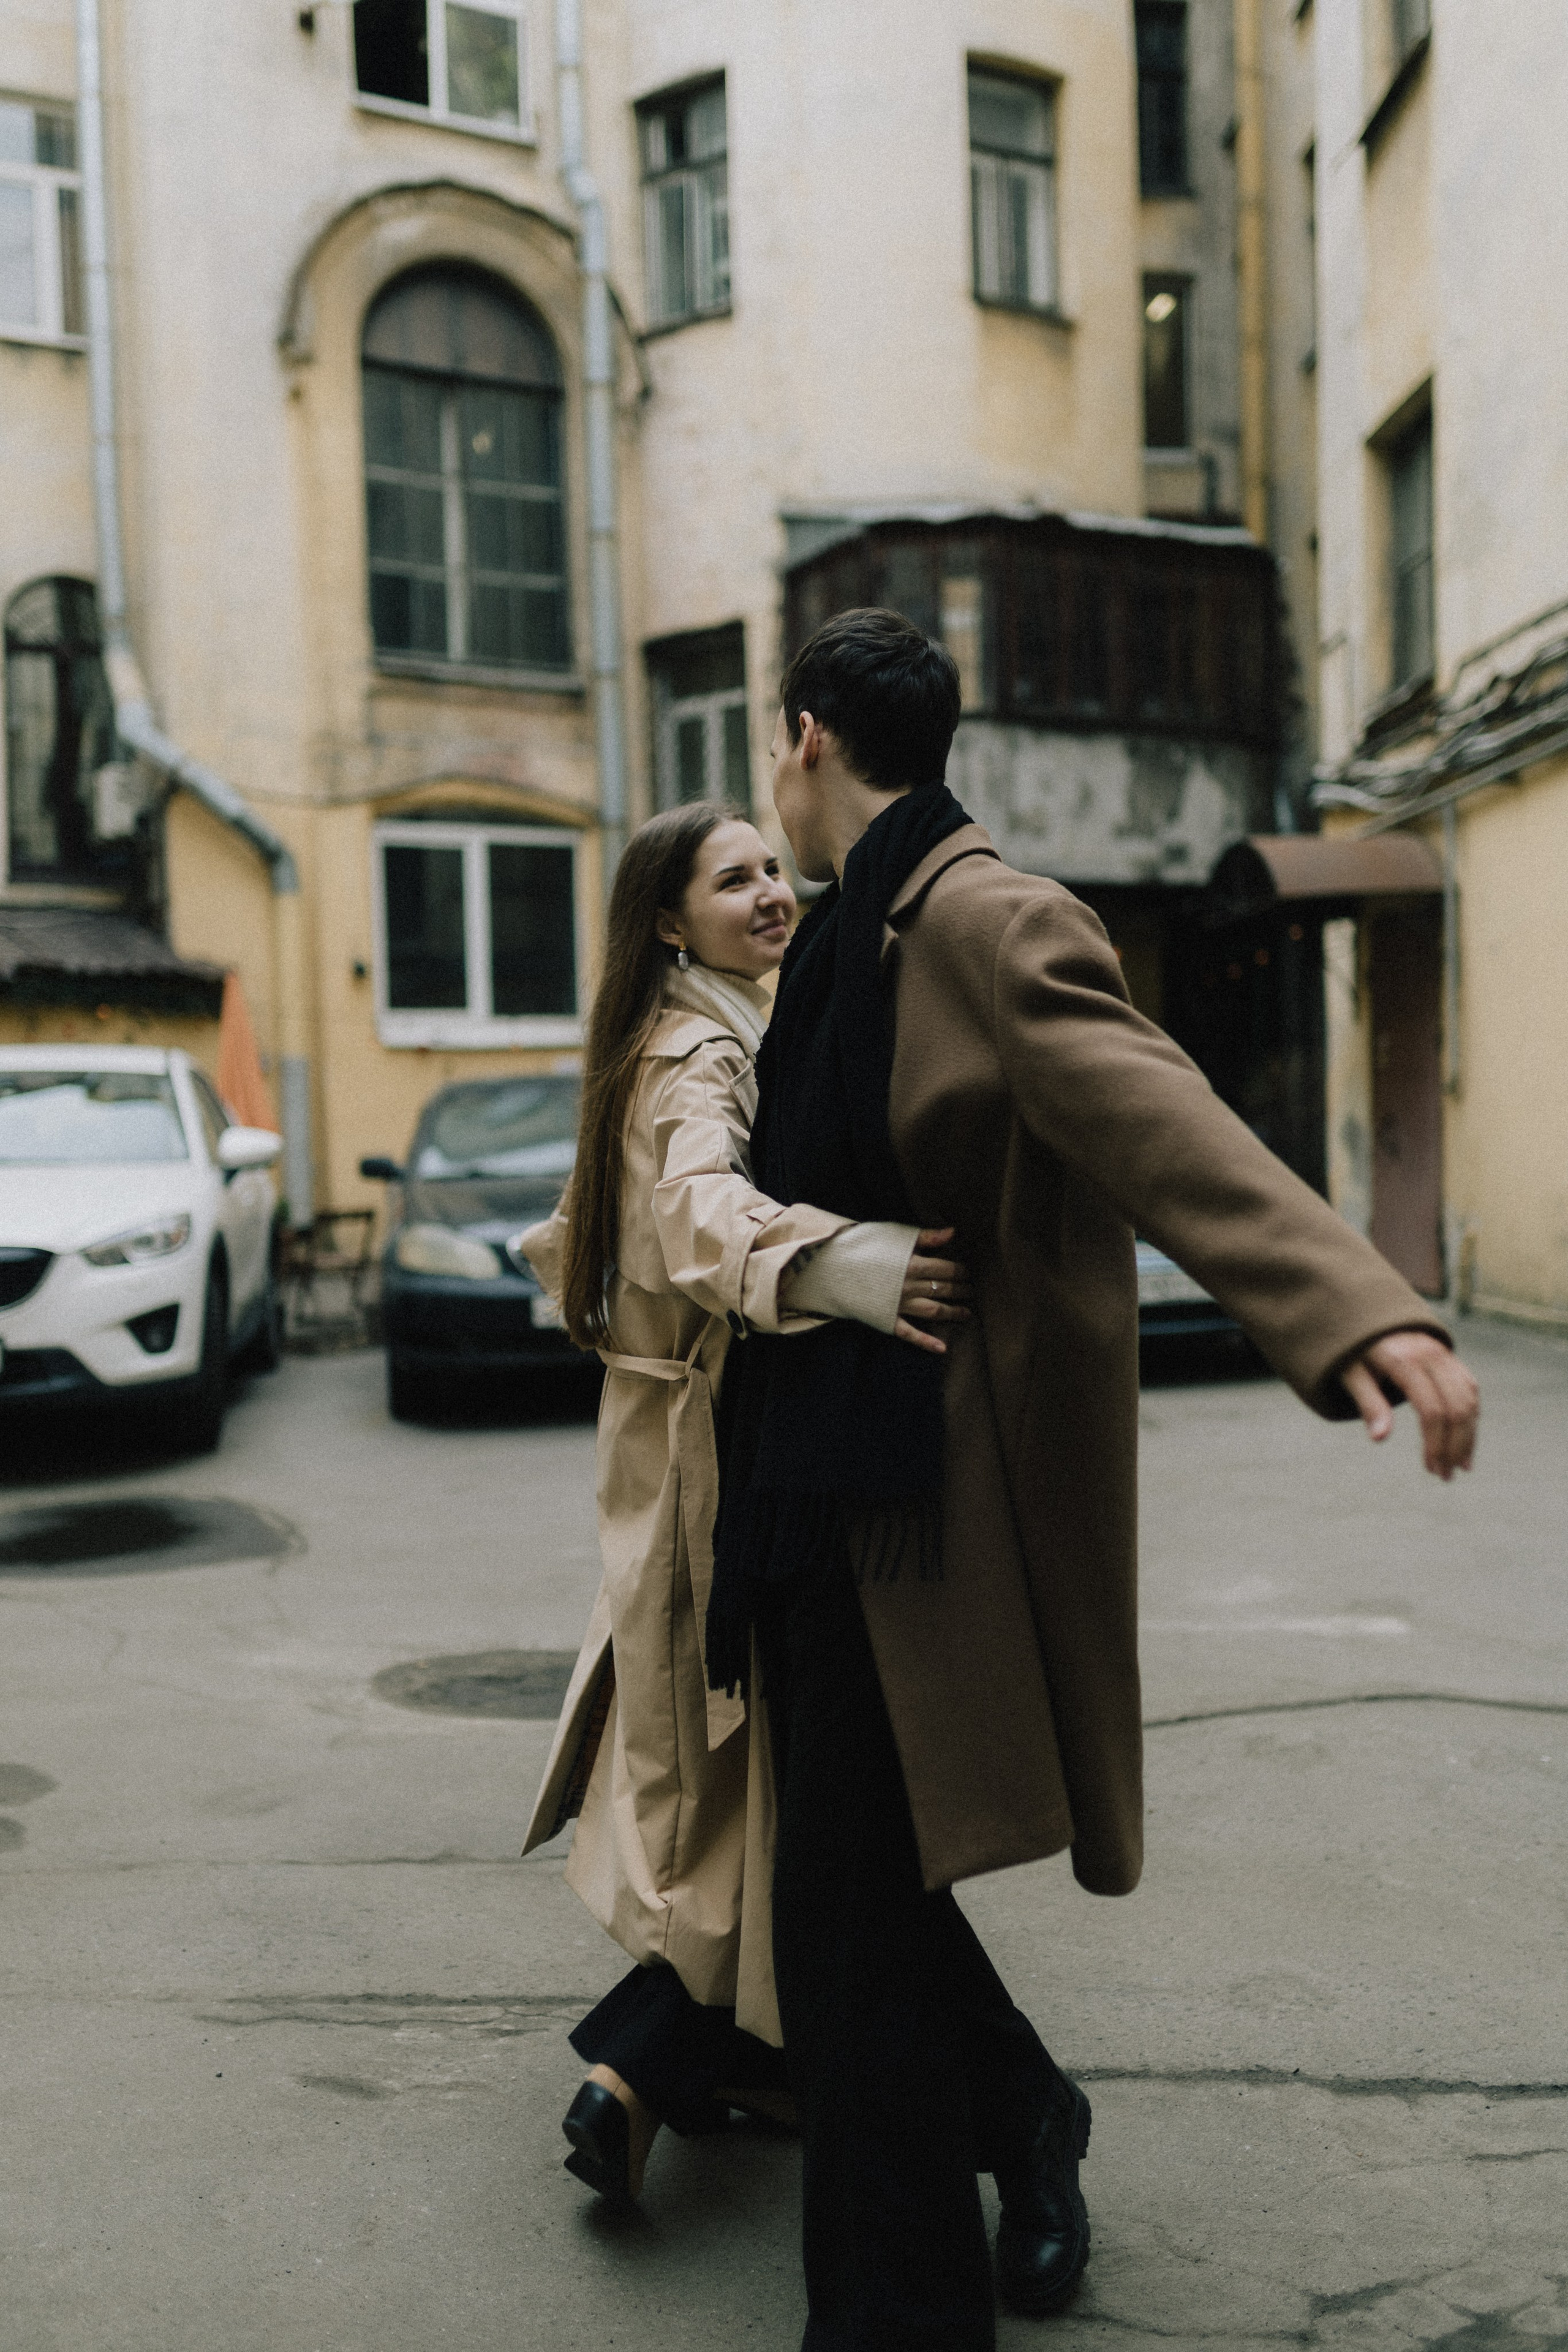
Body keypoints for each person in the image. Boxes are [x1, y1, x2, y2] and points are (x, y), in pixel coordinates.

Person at [704, 608, 1480, 2351]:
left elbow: (1159, 1109)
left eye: (773, 737)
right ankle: (1013, 2150)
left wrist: (1357, 1311)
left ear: (810, 735)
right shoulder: (848, 931)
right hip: (815, 1503)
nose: (770, 765)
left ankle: (902, 2311)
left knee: (852, 1959)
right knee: (843, 1939)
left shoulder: (980, 917)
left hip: (913, 1522)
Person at [518, 801, 971, 2206]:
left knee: (762, 1798)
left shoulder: (700, 1020)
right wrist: (858, 1265)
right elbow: (697, 1213)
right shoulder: (700, 1048)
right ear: (669, 920)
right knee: (760, 1800)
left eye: (772, 868)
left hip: (687, 1442)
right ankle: (992, 2108)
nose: (772, 894)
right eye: (734, 881)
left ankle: (673, 2075)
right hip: (701, 1463)